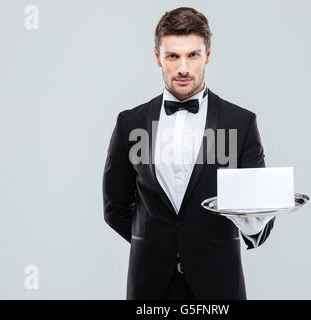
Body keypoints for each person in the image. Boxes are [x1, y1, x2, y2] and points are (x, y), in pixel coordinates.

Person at [102, 7, 276, 300]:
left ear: (207, 55)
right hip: (150, 284)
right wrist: (156, 244)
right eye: (173, 56)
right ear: (158, 57)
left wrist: (253, 220)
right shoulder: (129, 123)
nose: (183, 68)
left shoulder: (241, 123)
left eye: (192, 55)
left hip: (219, 284)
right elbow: (115, 207)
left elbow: (258, 214)